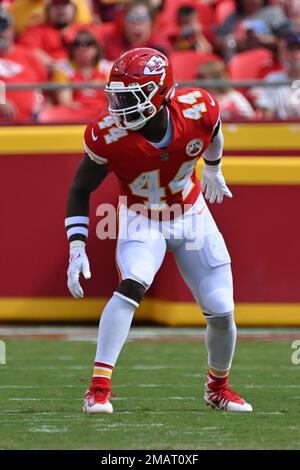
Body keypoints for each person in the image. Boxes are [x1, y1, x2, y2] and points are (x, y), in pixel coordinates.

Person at [65, 47, 253, 414]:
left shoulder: (198, 108)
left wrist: (212, 168)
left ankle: (218, 388)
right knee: (132, 283)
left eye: (129, 97)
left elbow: (213, 132)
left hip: (191, 214)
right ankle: (98, 388)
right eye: (115, 95)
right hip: (142, 217)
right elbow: (79, 189)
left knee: (221, 308)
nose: (118, 105)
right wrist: (77, 246)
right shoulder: (108, 134)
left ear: (159, 94)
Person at [39, 29, 111, 123]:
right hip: (76, 111)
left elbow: (113, 99)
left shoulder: (108, 68)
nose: (83, 47)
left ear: (97, 48)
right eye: (77, 44)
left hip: (103, 111)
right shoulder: (62, 69)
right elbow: (66, 102)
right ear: (72, 49)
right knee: (45, 116)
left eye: (89, 43)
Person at [0, 9, 47, 123]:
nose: (0, 32)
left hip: (31, 124)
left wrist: (42, 112)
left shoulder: (29, 56)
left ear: (12, 30)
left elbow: (45, 90)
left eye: (3, 27)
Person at [18, 0, 83, 71]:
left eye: (65, 5)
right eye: (56, 5)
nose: (60, 9)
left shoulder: (84, 30)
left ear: (74, 10)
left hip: (82, 75)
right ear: (48, 10)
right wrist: (56, 67)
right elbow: (29, 50)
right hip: (48, 75)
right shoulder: (35, 30)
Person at [217, 0, 294, 60]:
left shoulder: (273, 13)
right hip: (240, 60)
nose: (254, 0)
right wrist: (235, 42)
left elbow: (288, 38)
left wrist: (263, 40)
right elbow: (219, 42)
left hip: (269, 59)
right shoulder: (233, 18)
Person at [100, 1, 171, 60]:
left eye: (142, 18)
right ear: (124, 21)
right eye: (131, 17)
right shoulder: (112, 44)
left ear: (152, 22)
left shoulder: (159, 49)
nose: (136, 22)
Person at [253, 33, 300, 118]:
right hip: (281, 129)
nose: (296, 54)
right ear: (284, 54)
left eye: (299, 49)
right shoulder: (273, 79)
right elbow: (267, 114)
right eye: (291, 50)